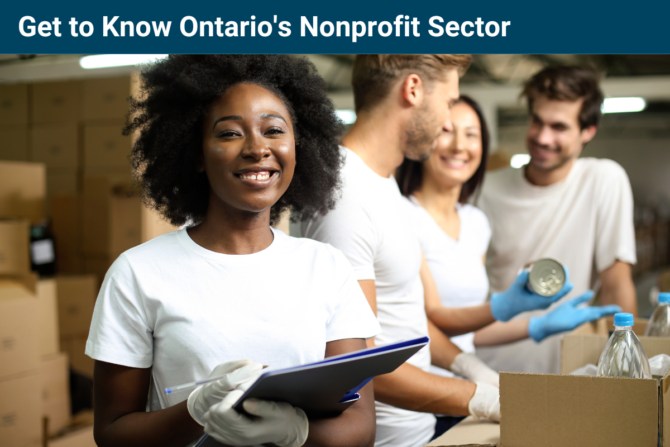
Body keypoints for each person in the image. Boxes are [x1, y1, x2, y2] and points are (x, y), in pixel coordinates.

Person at [84, 55, 381, 447]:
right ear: (195, 154)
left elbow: (361, 425)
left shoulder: (326, 267)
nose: (258, 148)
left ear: (298, 145)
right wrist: (196, 411)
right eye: (229, 133)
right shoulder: (137, 273)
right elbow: (112, 433)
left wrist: (297, 433)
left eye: (274, 129)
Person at [293, 55, 576, 447]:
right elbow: (356, 362)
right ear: (413, 90)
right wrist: (482, 399)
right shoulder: (346, 198)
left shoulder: (380, 183)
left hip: (420, 431)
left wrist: (467, 365)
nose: (448, 122)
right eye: (448, 101)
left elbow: (402, 313)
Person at [396, 95, 621, 381]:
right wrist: (503, 306)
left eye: (471, 134)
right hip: (421, 389)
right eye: (446, 131)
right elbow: (432, 318)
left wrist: (538, 326)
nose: (459, 146)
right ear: (425, 137)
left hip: (465, 390)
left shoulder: (475, 222)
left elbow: (470, 330)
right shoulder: (402, 215)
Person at [476, 65, 638, 374]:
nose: (542, 137)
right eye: (537, 121)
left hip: (569, 368)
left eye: (559, 127)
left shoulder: (603, 179)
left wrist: (627, 373)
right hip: (490, 369)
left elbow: (617, 285)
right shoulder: (485, 189)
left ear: (587, 132)